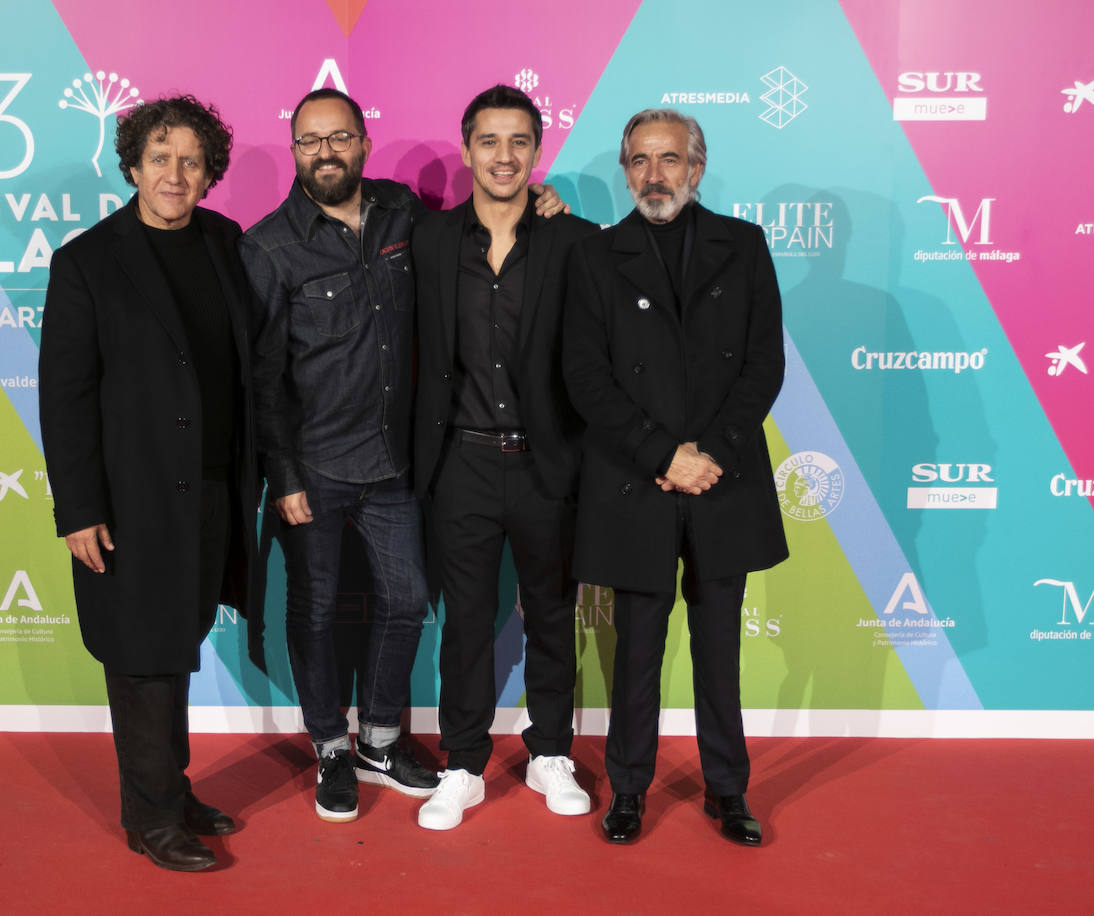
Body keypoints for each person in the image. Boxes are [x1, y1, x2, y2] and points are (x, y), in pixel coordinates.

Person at [240, 88, 567, 824]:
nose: (326, 151)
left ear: (362, 141)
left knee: (409, 601)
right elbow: (261, 378)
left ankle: (381, 739)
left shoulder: (404, 216)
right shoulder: (266, 246)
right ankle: (330, 745)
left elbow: (489, 221)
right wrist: (283, 476)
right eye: (310, 141)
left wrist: (542, 206)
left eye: (341, 137)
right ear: (295, 152)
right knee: (317, 610)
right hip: (314, 469)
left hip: (397, 464)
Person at [39, 95, 257, 871]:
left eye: (191, 160)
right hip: (128, 501)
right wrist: (80, 508)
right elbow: (63, 397)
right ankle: (152, 818)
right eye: (160, 157)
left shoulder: (227, 243)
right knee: (139, 654)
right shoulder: (87, 262)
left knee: (178, 643)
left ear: (209, 174)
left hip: (211, 492)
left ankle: (173, 787)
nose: (175, 173)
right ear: (132, 165)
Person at [562, 108, 789, 846]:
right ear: (624, 170)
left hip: (723, 481)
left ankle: (728, 789)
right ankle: (627, 789)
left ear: (697, 167)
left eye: (669, 160)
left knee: (720, 651)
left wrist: (706, 455)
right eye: (638, 161)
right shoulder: (597, 256)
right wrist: (665, 456)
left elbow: (763, 365)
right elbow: (586, 377)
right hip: (638, 482)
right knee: (636, 651)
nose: (653, 176)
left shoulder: (745, 246)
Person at [410, 85, 597, 831]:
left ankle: (551, 750)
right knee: (465, 622)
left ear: (537, 153)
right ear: (466, 150)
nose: (504, 156)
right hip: (461, 463)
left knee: (552, 613)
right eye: (489, 141)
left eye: (519, 141)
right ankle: (462, 764)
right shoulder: (428, 240)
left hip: (549, 463)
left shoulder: (576, 241)